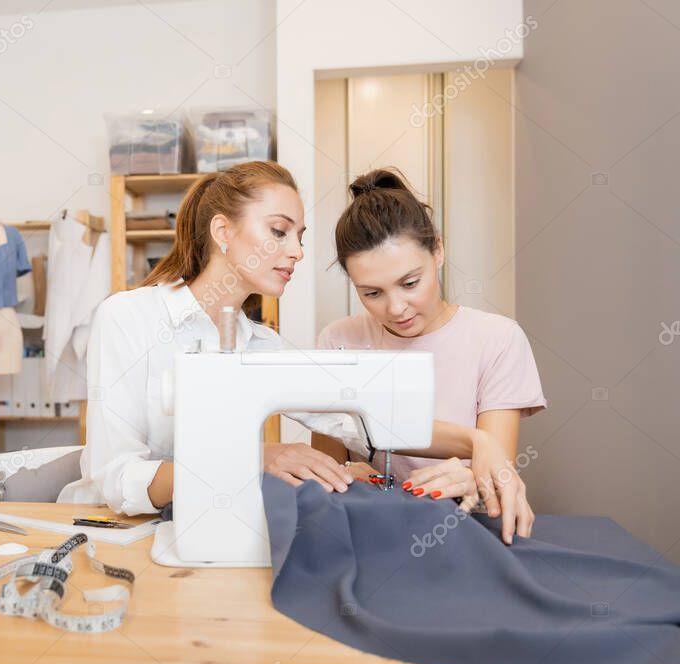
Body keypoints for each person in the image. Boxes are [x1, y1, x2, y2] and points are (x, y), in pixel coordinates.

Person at [57, 161, 531, 542]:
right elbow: (114, 478)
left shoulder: (262, 345)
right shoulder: (128, 317)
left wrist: (477, 443)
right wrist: (252, 457)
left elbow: (359, 421)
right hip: (109, 534)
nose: (298, 251)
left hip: (204, 529)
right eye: (280, 231)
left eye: (300, 236)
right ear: (223, 232)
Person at [316, 168, 547, 543]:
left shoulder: (498, 339)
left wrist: (471, 477)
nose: (396, 308)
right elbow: (325, 470)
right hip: (370, 530)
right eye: (372, 293)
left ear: (437, 250)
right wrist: (346, 473)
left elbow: (496, 468)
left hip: (465, 529)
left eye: (410, 283)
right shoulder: (338, 341)